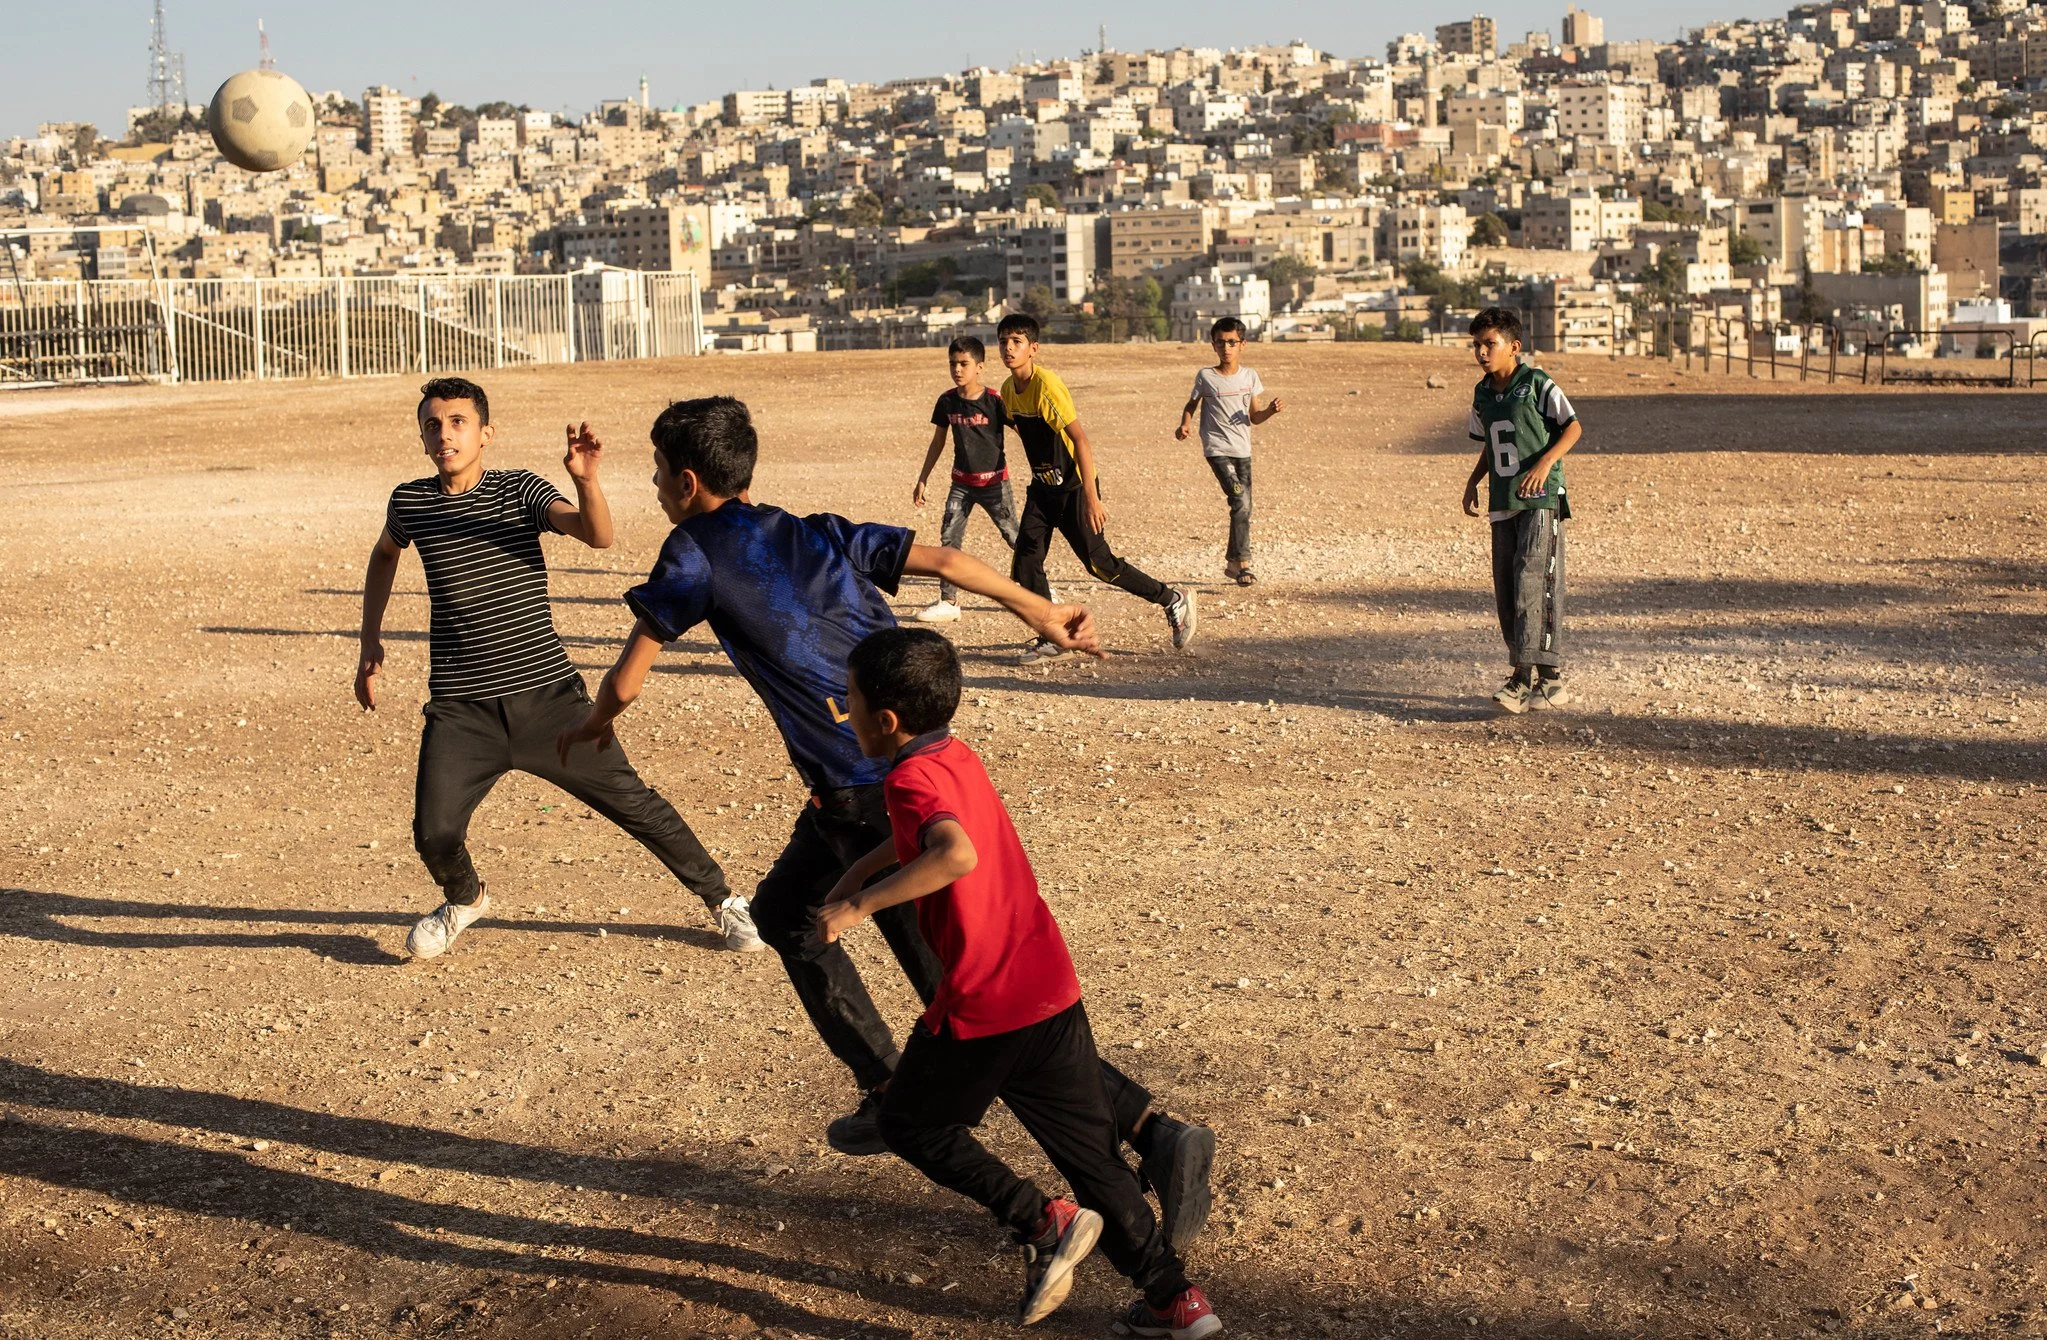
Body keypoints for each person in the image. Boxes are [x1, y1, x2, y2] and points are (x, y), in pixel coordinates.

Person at [555, 398, 1210, 1191]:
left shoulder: (690, 552)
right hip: (876, 780)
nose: (655, 487)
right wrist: (1040, 609)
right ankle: (883, 1083)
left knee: (961, 1005)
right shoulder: (811, 529)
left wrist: (594, 723)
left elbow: (627, 678)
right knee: (785, 918)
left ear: (688, 481)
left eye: (658, 474)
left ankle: (1147, 1131)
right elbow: (944, 562)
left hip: (877, 798)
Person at [819, 627, 1222, 1337]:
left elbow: (954, 851)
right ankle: (1176, 1302)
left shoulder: (907, 777)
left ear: (885, 720)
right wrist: (859, 869)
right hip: (1047, 984)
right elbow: (925, 833)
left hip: (984, 1004)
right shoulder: (950, 755)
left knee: (911, 1124)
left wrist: (857, 905)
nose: (841, 710)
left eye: (848, 699)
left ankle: (1042, 1220)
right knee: (1091, 1155)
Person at [354, 377, 755, 960]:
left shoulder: (519, 491)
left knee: (636, 806)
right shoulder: (410, 502)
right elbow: (385, 554)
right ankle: (464, 899)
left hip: (549, 702)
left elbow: (599, 535)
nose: (446, 434)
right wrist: (371, 642)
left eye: (459, 422)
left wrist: (586, 480)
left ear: (486, 433)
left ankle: (722, 900)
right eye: (433, 425)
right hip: (462, 710)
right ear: (422, 437)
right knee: (434, 833)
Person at [996, 313, 1197, 664]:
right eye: (1003, 341)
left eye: (1016, 341)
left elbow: (1081, 441)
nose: (1008, 348)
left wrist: (1091, 497)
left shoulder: (1048, 387)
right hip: (1042, 491)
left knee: (1101, 565)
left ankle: (1171, 598)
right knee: (1026, 563)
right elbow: (1021, 431)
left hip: (1075, 488)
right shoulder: (1008, 390)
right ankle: (1053, 635)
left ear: (1033, 348)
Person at [1459, 308, 1583, 714]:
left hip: (1541, 498)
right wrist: (1473, 480)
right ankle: (1542, 679)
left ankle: (1527, 677)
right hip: (1503, 500)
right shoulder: (1481, 394)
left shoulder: (1536, 384)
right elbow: (1491, 443)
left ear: (1513, 346)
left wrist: (1545, 465)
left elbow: (1573, 427)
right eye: (1476, 344)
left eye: (1489, 344)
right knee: (1508, 590)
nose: (1481, 352)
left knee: (1534, 581)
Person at [911, 336, 1021, 623]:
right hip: (961, 485)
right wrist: (923, 478)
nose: (957, 369)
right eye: (952, 364)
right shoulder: (947, 401)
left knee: (1015, 537)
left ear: (980, 367)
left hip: (995, 484)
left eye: (964, 363)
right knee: (949, 538)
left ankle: (1039, 589)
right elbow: (938, 443)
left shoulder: (995, 401)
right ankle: (949, 601)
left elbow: (1023, 432)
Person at [1175, 317, 1282, 587]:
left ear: (1242, 345)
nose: (1226, 348)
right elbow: (1191, 405)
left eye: (1232, 342)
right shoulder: (1206, 377)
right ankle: (1244, 563)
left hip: (1242, 450)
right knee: (1239, 499)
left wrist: (1270, 410)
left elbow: (1255, 416)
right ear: (1214, 345)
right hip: (1216, 448)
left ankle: (1232, 564)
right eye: (1221, 342)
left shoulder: (1250, 377)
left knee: (1243, 506)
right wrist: (1185, 425)